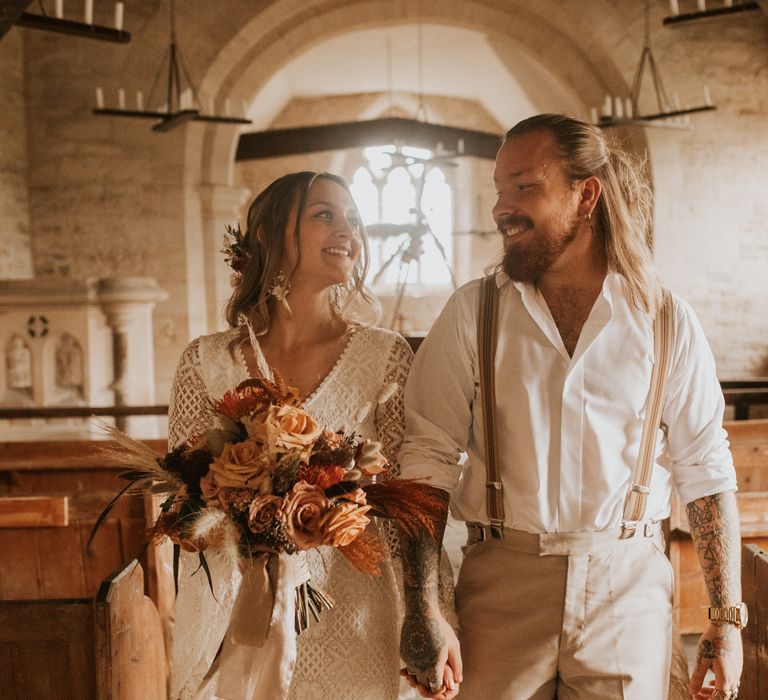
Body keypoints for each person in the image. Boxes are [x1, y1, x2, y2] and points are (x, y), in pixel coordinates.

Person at [398, 114, 743, 699]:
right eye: (499, 191)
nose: (502, 208)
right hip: (500, 585)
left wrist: (725, 620)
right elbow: (426, 461)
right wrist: (423, 606)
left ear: (587, 195)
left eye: (525, 187)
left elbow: (705, 470)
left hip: (628, 587)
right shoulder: (472, 313)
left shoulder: (664, 320)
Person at [167, 171, 418, 699]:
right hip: (238, 606)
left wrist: (428, 615)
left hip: (356, 605)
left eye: (353, 218)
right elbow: (183, 504)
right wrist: (250, 512)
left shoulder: (385, 356)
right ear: (267, 235)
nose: (346, 230)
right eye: (324, 214)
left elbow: (404, 504)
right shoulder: (207, 361)